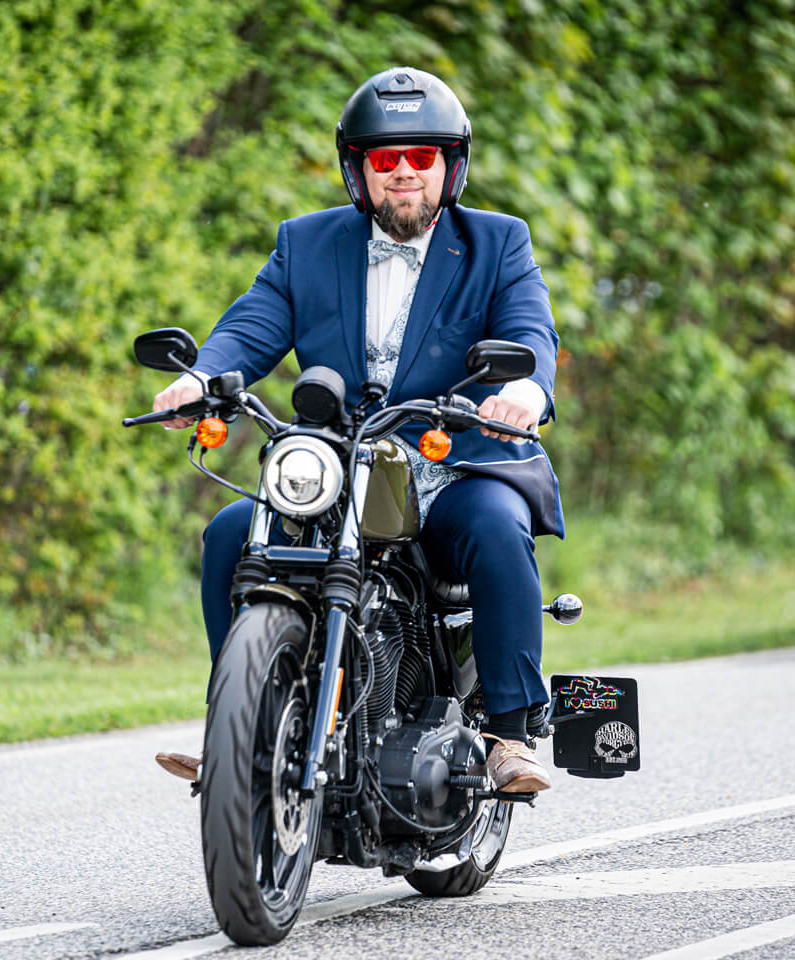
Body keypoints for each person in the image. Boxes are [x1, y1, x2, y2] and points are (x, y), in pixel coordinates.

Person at [152, 67, 564, 794]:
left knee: (498, 528)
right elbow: (250, 327)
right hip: (340, 465)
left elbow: (531, 330)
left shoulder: (499, 242)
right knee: (230, 533)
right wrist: (202, 379)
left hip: (458, 460)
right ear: (358, 169)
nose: (403, 171)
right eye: (385, 158)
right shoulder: (306, 243)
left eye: (420, 156)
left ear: (449, 166)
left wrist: (525, 390)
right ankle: (237, 723)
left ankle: (509, 732)